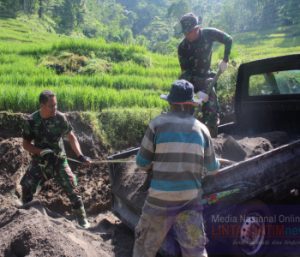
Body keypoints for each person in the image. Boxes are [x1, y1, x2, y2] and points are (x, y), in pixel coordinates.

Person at [133, 80, 220, 257]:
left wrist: (154, 162)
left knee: (143, 249)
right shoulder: (202, 129)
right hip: (190, 202)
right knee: (195, 251)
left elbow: (142, 164)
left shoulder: (156, 125)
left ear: (171, 102)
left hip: (159, 201)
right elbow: (212, 169)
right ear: (190, 104)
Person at [20, 90, 91, 228]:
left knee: (72, 187)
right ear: (42, 105)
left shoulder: (60, 118)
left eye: (56, 105)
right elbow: (26, 144)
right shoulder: (31, 121)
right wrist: (41, 152)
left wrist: (80, 156)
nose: (55, 109)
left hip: (59, 160)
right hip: (40, 161)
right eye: (51, 106)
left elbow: (71, 137)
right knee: (27, 186)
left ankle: (82, 220)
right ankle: (25, 216)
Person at [178, 12, 233, 137]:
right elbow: (186, 74)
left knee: (211, 107)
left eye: (190, 32)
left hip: (207, 79)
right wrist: (198, 97)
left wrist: (225, 60)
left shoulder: (208, 34)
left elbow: (228, 40)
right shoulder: (183, 47)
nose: (187, 36)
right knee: (187, 113)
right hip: (192, 83)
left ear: (197, 28)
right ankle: (189, 138)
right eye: (185, 33)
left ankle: (212, 138)